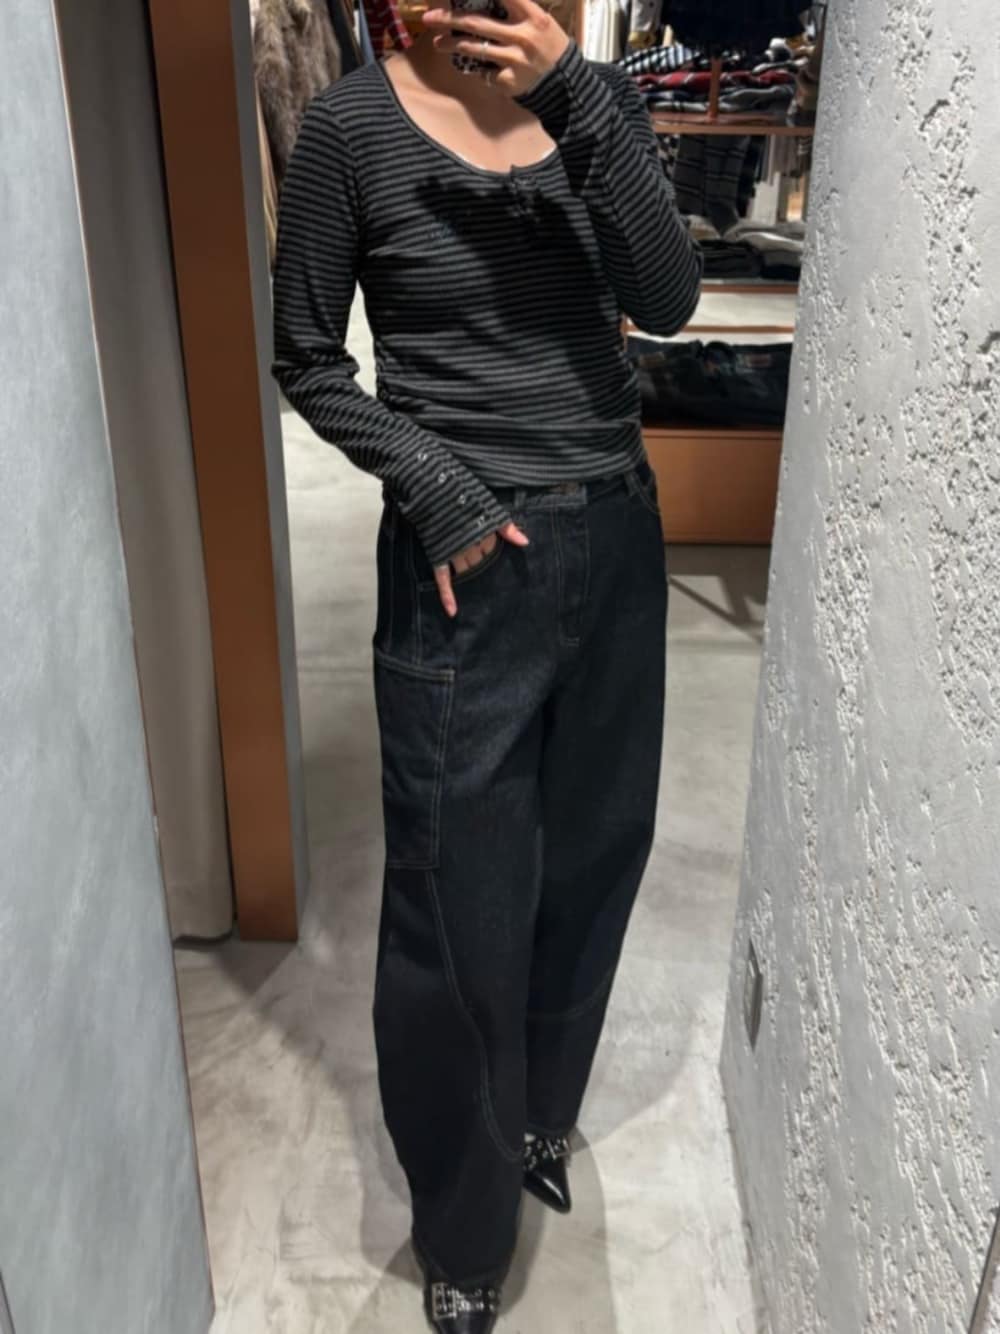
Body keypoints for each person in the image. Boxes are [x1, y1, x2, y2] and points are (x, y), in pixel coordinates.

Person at [271, 0, 701, 1326]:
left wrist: (578, 97)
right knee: (457, 901)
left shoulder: (599, 99)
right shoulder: (349, 128)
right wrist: (435, 485)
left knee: (595, 855)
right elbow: (306, 358)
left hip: (616, 533)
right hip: (465, 564)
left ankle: (539, 1120)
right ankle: (464, 1230)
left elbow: (669, 300)